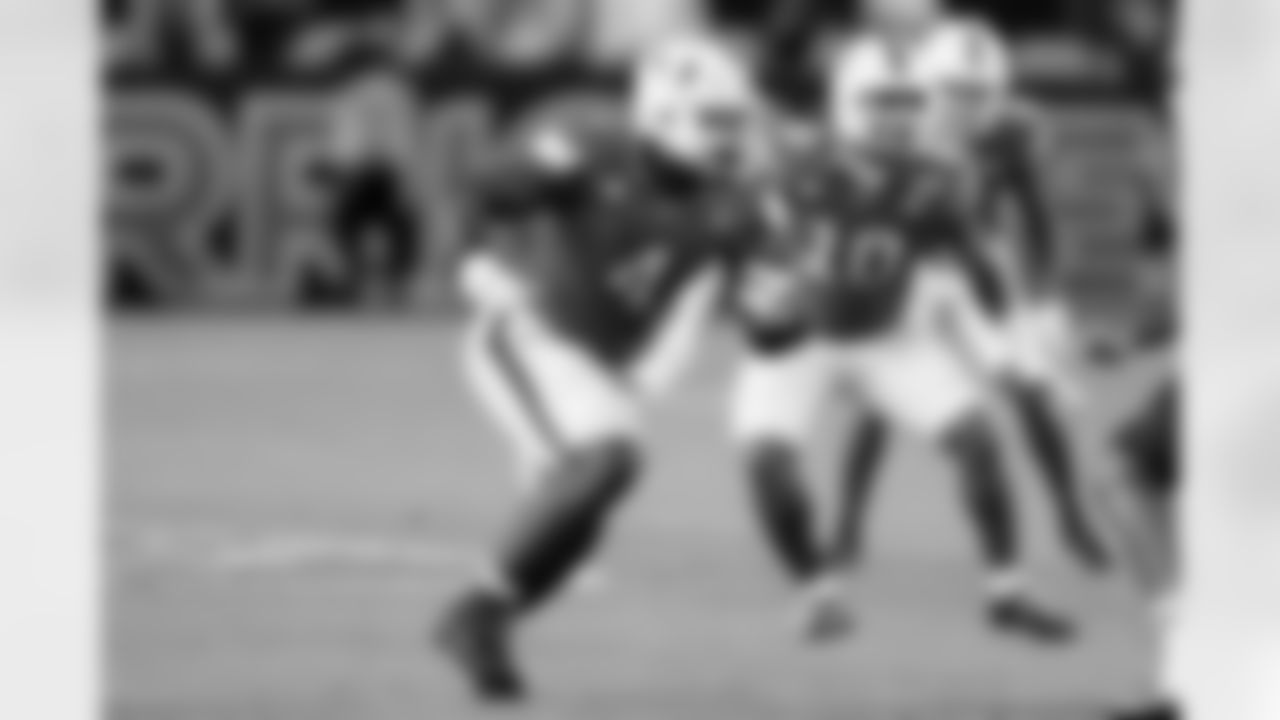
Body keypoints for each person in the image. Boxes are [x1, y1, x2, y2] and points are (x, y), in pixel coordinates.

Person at [434, 33, 771, 701]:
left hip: (597, 368)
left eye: (736, 120)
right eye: (715, 120)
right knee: (606, 464)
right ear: (663, 112)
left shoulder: (734, 204)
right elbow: (482, 188)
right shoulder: (592, 151)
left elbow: (767, 323)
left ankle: (486, 616)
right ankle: (475, 614)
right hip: (530, 335)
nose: (730, 136)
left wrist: (782, 314)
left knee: (585, 518)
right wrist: (471, 262)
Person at [816, 0, 1113, 596]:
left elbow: (1034, 216)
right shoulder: (893, 121)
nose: (967, 104)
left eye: (980, 91)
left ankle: (1068, 513)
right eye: (954, 89)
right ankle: (847, 524)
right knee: (880, 403)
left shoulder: (1012, 131)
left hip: (976, 272)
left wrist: (1043, 303)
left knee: (1031, 394)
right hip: (907, 271)